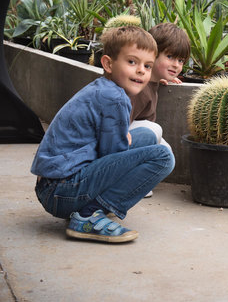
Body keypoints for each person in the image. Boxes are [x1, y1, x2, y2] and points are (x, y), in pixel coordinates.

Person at [32, 26, 175, 243]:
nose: (141, 71)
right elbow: (112, 154)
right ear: (108, 63)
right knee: (163, 157)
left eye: (147, 66)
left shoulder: (104, 88)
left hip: (54, 185)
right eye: (132, 62)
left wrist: (122, 139)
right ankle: (88, 215)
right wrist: (121, 141)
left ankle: (84, 207)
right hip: (61, 190)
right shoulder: (115, 98)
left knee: (145, 135)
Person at [129, 22, 190, 197]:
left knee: (166, 152)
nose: (176, 65)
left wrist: (160, 79)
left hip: (136, 136)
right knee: (154, 130)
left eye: (181, 61)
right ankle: (128, 183)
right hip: (123, 138)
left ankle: (136, 182)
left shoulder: (152, 81)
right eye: (170, 57)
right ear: (152, 54)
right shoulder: (138, 85)